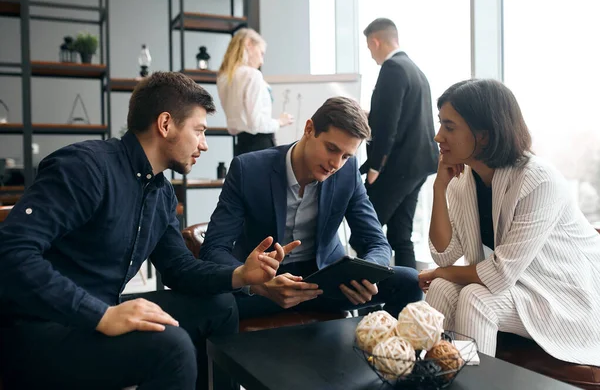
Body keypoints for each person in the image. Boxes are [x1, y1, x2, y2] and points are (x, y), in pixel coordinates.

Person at [0, 72, 295, 390]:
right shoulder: (85, 168)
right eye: (198, 131)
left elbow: (179, 270)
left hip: (101, 311)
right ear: (166, 124)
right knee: (173, 348)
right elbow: (11, 252)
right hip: (41, 330)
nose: (204, 145)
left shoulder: (161, 193)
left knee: (220, 306)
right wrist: (101, 315)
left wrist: (241, 275)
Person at [420, 79, 600, 365]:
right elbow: (444, 254)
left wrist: (444, 272)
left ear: (484, 136)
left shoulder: (538, 180)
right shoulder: (462, 181)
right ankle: (430, 376)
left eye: (449, 127)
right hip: (521, 287)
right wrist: (439, 189)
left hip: (565, 295)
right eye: (440, 124)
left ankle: (472, 386)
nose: (438, 136)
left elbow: (500, 274)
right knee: (442, 288)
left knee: (477, 299)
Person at [200, 96, 422, 320]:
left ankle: (385, 352)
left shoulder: (347, 171)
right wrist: (256, 283)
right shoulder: (248, 169)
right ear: (309, 129)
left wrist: (365, 276)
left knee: (410, 282)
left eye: (346, 156)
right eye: (331, 148)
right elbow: (213, 249)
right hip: (264, 283)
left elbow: (376, 242)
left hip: (326, 282)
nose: (336, 164)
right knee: (207, 305)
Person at [360, 18, 439, 269]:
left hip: (396, 167)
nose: (371, 55)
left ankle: (362, 297)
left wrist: (374, 168)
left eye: (369, 47)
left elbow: (388, 125)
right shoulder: (416, 70)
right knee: (400, 235)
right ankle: (409, 301)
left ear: (375, 41)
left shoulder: (392, 69)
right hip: (419, 165)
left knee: (364, 232)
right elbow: (408, 119)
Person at [217, 28, 294, 156]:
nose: (261, 61)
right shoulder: (252, 75)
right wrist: (280, 122)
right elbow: (256, 124)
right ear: (248, 44)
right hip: (261, 146)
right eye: (261, 53)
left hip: (241, 146)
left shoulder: (223, 78)